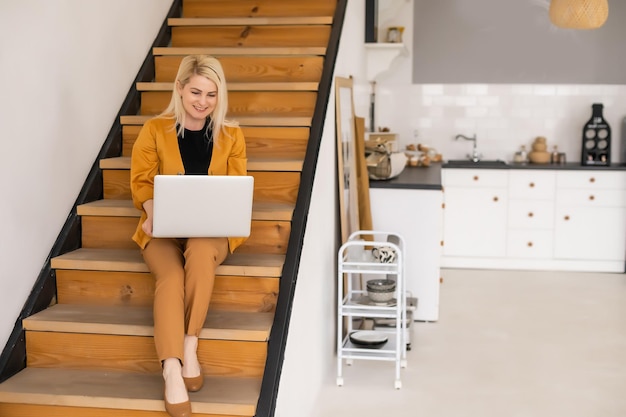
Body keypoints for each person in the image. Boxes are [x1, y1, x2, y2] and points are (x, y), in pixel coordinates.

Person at [130, 55, 247, 417]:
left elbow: (237, 190)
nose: (202, 101)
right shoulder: (154, 130)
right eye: (195, 91)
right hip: (162, 227)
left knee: (198, 252)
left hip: (210, 231)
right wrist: (152, 213)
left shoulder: (232, 135)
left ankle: (189, 342)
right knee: (170, 275)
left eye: (211, 94)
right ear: (179, 89)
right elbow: (141, 181)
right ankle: (170, 368)